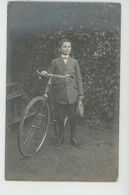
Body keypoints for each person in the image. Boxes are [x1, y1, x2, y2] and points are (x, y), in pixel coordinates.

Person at [41, 39, 84, 148]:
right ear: (59, 48)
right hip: (59, 94)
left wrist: (80, 93)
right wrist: (44, 73)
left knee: (72, 117)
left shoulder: (74, 62)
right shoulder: (55, 62)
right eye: (65, 46)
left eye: (69, 46)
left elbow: (79, 78)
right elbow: (49, 74)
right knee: (60, 117)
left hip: (72, 94)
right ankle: (60, 137)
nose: (67, 48)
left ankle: (73, 137)